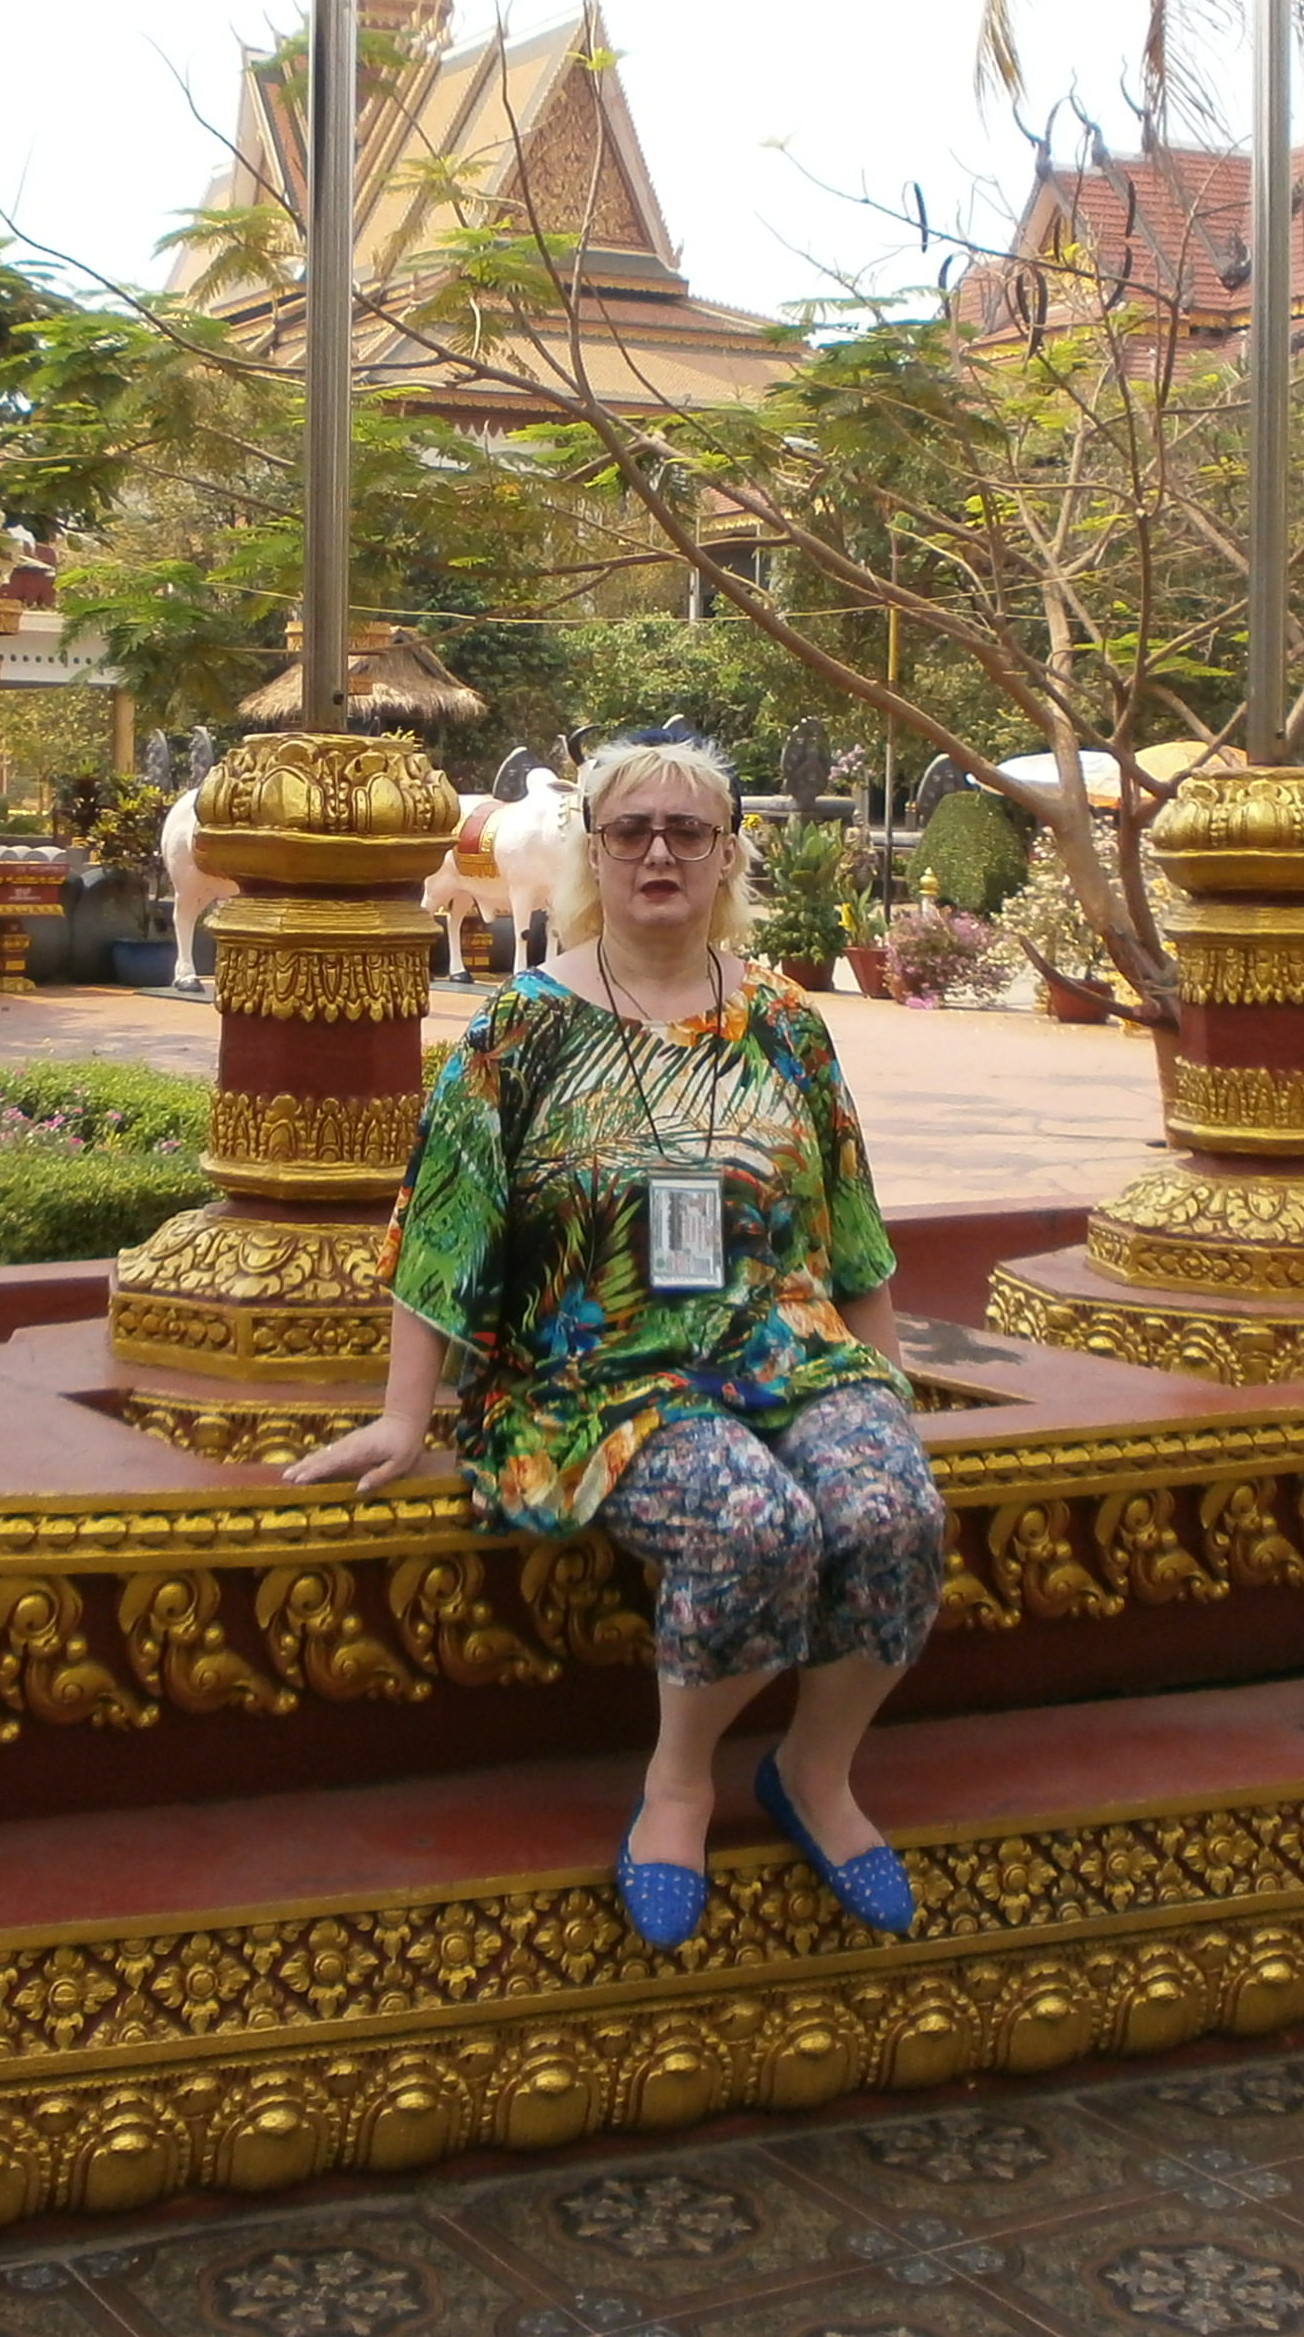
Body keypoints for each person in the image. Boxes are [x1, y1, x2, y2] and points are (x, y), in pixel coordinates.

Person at [289, 736, 944, 1952]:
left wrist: (885, 1373)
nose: (658, 853)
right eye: (630, 831)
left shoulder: (786, 1023)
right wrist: (402, 1415)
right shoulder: (518, 1033)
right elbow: (443, 1229)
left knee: (890, 1509)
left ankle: (813, 1772)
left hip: (784, 1349)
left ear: (726, 856)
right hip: (595, 1373)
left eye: (686, 833)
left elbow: (849, 1218)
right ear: (590, 854)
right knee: (756, 1524)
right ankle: (681, 1782)